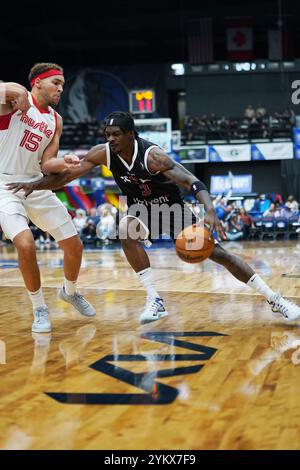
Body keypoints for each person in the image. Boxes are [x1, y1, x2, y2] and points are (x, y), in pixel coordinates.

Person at [8, 111, 300, 324]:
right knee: (125, 230)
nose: (110, 140)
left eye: (116, 135)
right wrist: (35, 185)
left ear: (131, 134)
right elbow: (67, 176)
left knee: (219, 255)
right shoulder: (102, 154)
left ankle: (275, 299)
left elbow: (191, 182)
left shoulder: (153, 157)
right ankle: (155, 299)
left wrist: (210, 210)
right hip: (141, 211)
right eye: (107, 135)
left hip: (172, 210)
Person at [0, 62, 95, 333]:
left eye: (63, 84)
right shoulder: (12, 102)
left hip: (34, 185)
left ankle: (70, 291)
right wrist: (12, 89)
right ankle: (39, 307)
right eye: (56, 83)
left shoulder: (56, 119)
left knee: (75, 246)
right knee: (26, 244)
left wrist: (64, 162)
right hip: (4, 185)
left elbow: (47, 162)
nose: (61, 89)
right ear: (37, 82)